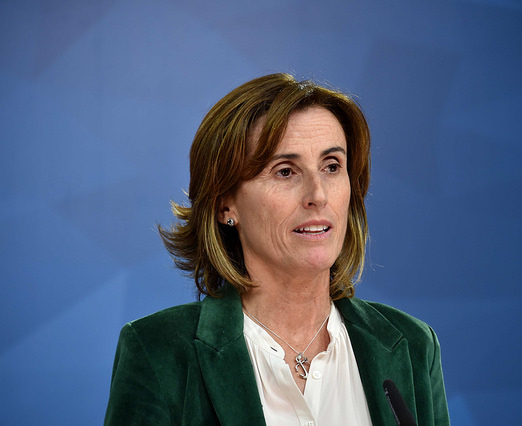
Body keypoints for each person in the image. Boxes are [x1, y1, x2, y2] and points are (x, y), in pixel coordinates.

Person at [104, 73, 450, 425]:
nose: (318, 195)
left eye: (332, 167)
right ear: (225, 204)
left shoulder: (414, 346)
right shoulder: (158, 352)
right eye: (285, 171)